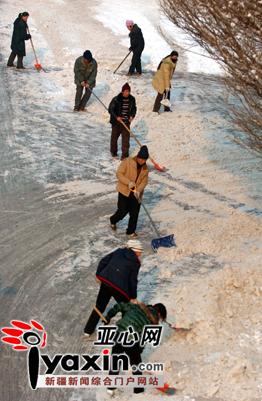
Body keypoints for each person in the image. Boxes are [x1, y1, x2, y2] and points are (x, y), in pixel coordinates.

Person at [106, 301, 167, 395]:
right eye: (160, 318)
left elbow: (120, 305)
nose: (159, 319)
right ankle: (138, 392)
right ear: (159, 314)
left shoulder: (136, 306)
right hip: (131, 340)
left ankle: (110, 388)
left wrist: (108, 316)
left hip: (119, 333)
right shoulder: (151, 323)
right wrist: (138, 351)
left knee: (115, 361)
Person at [83, 239, 143, 336]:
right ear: (135, 250)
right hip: (119, 288)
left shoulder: (118, 251)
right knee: (127, 308)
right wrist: (133, 297)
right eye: (140, 251)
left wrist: (98, 275)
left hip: (106, 282)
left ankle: (88, 330)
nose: (141, 253)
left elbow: (103, 261)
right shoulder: (135, 262)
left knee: (99, 306)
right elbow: (132, 281)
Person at [110, 145, 149, 238]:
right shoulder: (127, 161)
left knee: (134, 213)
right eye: (140, 158)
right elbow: (119, 173)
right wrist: (128, 183)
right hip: (124, 191)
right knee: (122, 211)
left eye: (144, 160)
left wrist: (139, 190)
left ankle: (130, 231)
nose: (142, 161)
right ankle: (113, 220)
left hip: (136, 193)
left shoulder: (145, 169)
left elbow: (144, 181)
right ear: (137, 156)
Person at [108, 82, 137, 160]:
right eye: (126, 91)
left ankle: (124, 155)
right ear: (122, 91)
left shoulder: (132, 99)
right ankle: (113, 152)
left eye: (128, 91)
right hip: (116, 122)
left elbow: (134, 108)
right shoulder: (116, 99)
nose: (127, 93)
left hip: (126, 122)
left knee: (125, 140)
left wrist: (132, 116)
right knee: (114, 138)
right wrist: (116, 117)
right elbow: (110, 109)